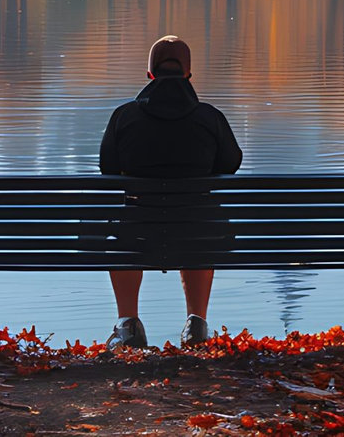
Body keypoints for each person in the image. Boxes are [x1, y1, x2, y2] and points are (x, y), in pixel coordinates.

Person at [98, 35, 243, 349]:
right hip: (197, 229)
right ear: (188, 74)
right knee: (201, 227)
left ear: (150, 74)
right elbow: (231, 163)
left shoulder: (124, 117)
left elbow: (107, 169)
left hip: (137, 231)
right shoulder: (209, 118)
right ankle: (197, 323)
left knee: (119, 234)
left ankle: (128, 324)